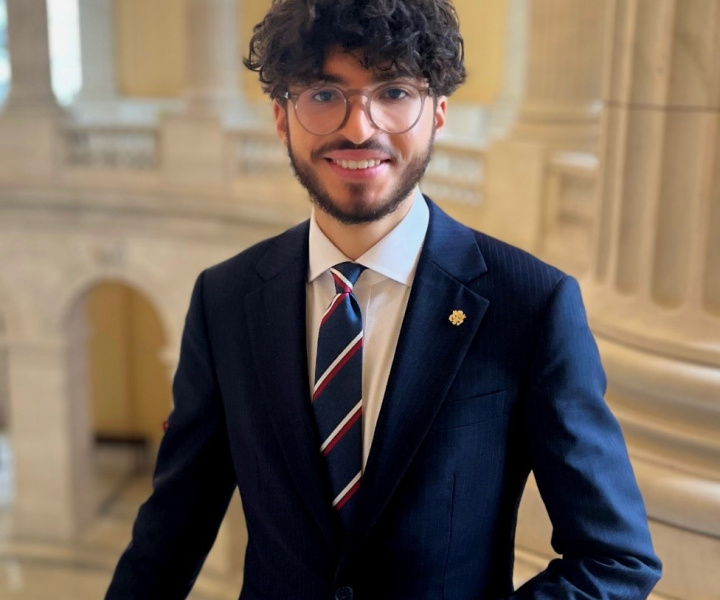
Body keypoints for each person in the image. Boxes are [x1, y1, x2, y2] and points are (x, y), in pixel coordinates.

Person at [105, 1, 662, 598]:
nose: (360, 127)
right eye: (323, 94)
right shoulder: (225, 298)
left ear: (439, 113)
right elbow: (170, 535)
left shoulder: (531, 305)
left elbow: (614, 557)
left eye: (394, 92)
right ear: (280, 117)